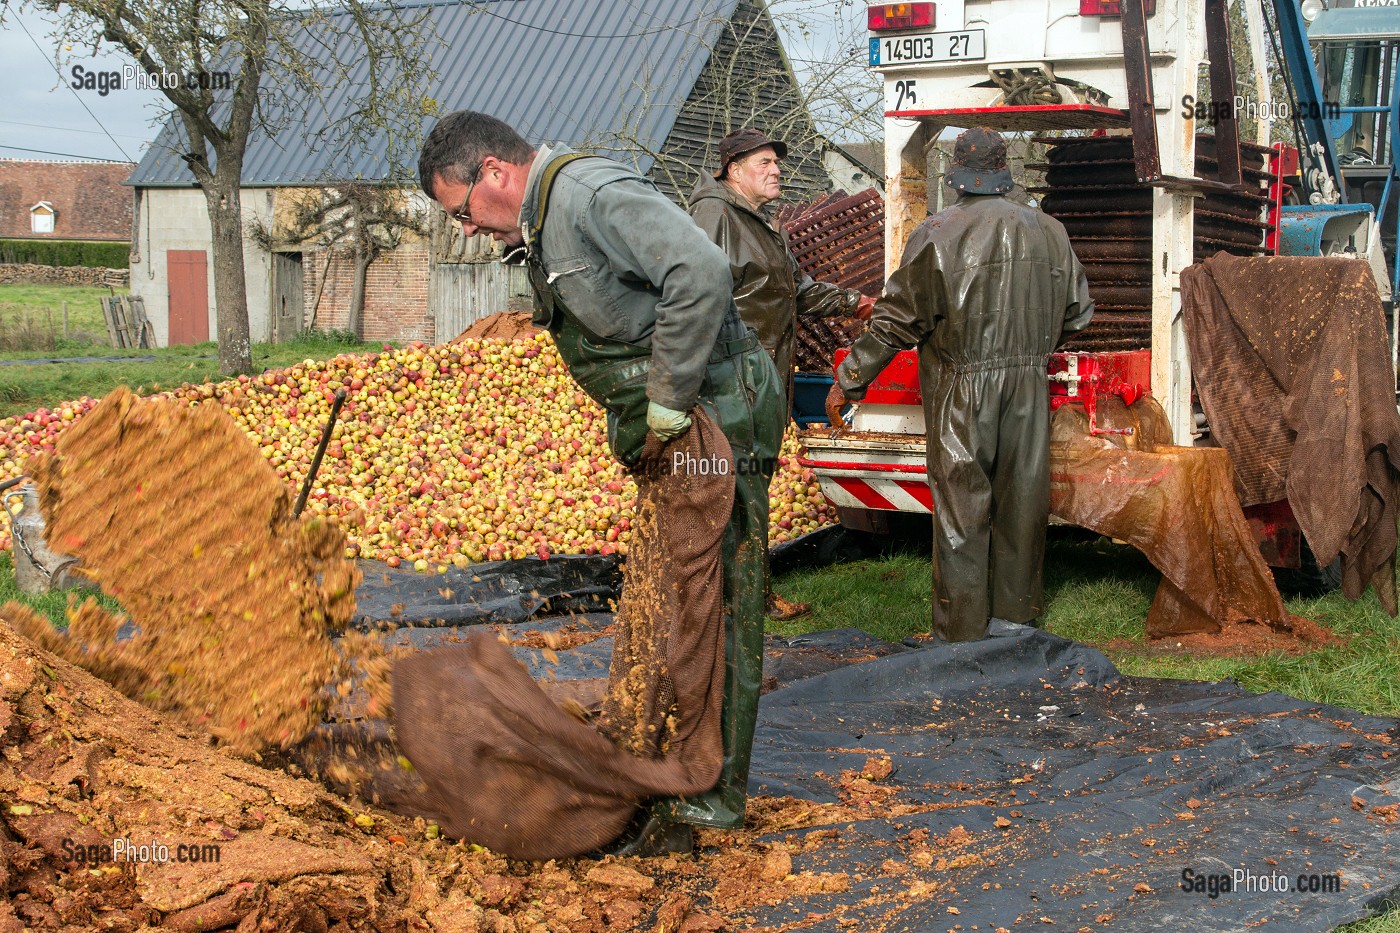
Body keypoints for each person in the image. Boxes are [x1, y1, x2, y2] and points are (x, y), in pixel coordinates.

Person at [417, 111, 784, 855]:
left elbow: (700, 270)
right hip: (679, 426)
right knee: (674, 597)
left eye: (461, 211)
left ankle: (711, 797)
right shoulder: (543, 223)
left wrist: (670, 397)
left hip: (719, 417)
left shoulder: (588, 195)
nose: (465, 230)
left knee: (719, 596)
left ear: (494, 173)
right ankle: (668, 767)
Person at [830, 127, 1094, 642]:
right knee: (1022, 506)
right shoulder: (1050, 231)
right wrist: (1029, 343)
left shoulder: (935, 232)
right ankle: (1016, 624)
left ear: (954, 177)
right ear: (1005, 173)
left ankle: (961, 637)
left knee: (961, 512)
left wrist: (851, 379)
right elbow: (1078, 314)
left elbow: (895, 321)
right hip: (1026, 386)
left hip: (961, 386)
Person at [689, 127, 875, 620]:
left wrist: (855, 303)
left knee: (750, 486)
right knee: (734, 486)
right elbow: (695, 299)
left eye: (777, 163)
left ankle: (746, 594)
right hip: (734, 379)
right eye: (764, 163)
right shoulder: (715, 217)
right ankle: (737, 600)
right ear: (733, 170)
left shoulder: (758, 221)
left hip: (763, 374)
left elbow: (796, 289)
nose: (776, 171)